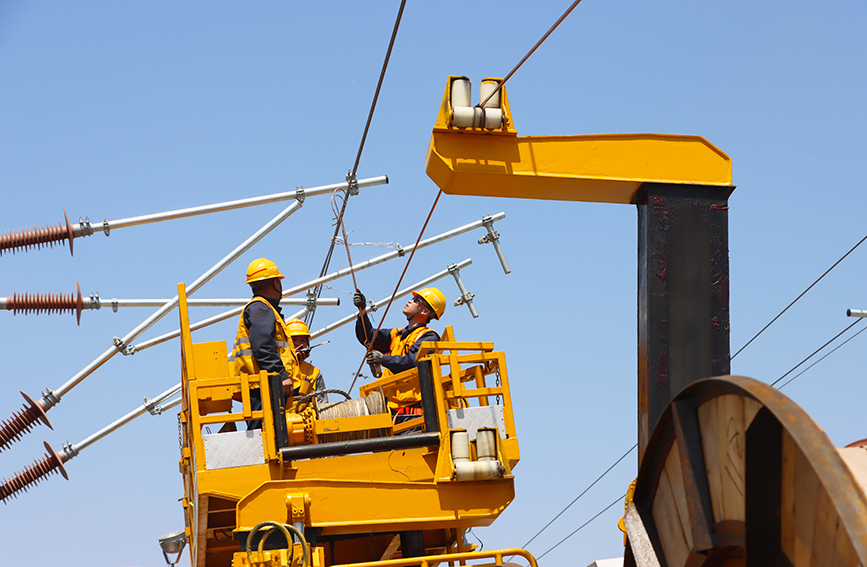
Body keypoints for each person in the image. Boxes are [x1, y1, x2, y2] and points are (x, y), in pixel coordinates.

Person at [353, 287, 446, 422]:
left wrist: (382, 358)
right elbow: (369, 337)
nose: (410, 301)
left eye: (416, 300)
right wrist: (362, 311)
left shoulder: (428, 337)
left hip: (411, 414)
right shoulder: (397, 335)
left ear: (425, 310)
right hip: (390, 408)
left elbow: (412, 363)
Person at [229, 258, 297, 431]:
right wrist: (281, 374)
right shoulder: (261, 308)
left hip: (260, 385)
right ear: (276, 283)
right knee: (266, 437)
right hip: (262, 387)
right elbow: (262, 345)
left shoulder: (261, 309)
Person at [286, 318, 329, 405]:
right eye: (294, 340)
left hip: (308, 417)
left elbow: (323, 405)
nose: (298, 344)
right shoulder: (276, 367)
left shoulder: (314, 373)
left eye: (302, 340)